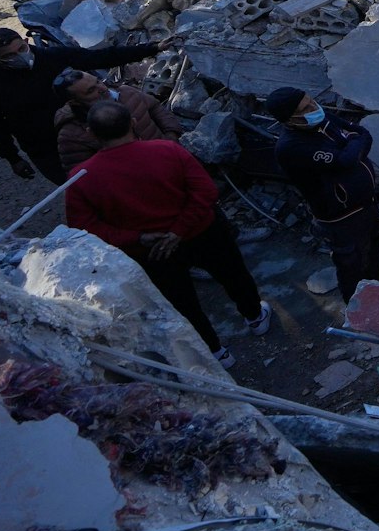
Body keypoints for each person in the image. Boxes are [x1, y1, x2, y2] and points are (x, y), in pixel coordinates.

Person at [66, 100, 269, 365]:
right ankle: (255, 317)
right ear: (134, 123)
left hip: (150, 250)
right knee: (233, 274)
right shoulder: (167, 150)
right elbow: (205, 192)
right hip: (201, 231)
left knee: (181, 302)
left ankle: (215, 352)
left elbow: (85, 228)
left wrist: (137, 238)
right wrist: (178, 230)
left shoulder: (81, 177)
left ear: (90, 133)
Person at [0, 27, 169, 184]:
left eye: (21, 49)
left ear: (26, 41)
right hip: (45, 149)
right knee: (84, 187)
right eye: (9, 56)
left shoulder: (51, 57)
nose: (20, 56)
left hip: (85, 137)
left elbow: (99, 57)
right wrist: (12, 158)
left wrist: (152, 48)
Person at [265, 88, 379, 304]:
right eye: (305, 108)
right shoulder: (291, 147)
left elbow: (363, 134)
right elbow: (347, 158)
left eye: (311, 102)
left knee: (373, 250)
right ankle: (358, 306)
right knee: (351, 264)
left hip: (367, 203)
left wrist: (352, 148)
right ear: (289, 120)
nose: (314, 108)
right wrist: (351, 145)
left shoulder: (320, 119)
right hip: (342, 217)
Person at [53, 68, 182, 170]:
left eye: (98, 81)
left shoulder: (127, 92)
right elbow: (86, 176)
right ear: (74, 102)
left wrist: (171, 136)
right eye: (91, 90)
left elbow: (155, 107)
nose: (103, 88)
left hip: (171, 158)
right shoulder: (72, 135)